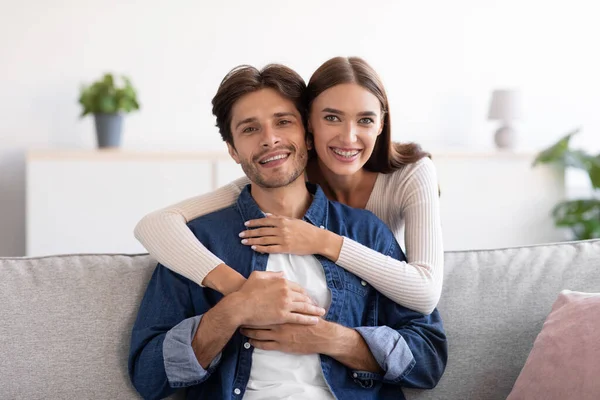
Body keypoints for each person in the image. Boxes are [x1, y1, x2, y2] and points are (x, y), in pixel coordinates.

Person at [128, 63, 447, 400]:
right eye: (250, 129)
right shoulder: (195, 245)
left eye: (283, 122)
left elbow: (428, 358)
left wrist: (331, 338)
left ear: (307, 136)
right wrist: (234, 308)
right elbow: (148, 376)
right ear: (233, 149)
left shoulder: (366, 232)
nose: (270, 139)